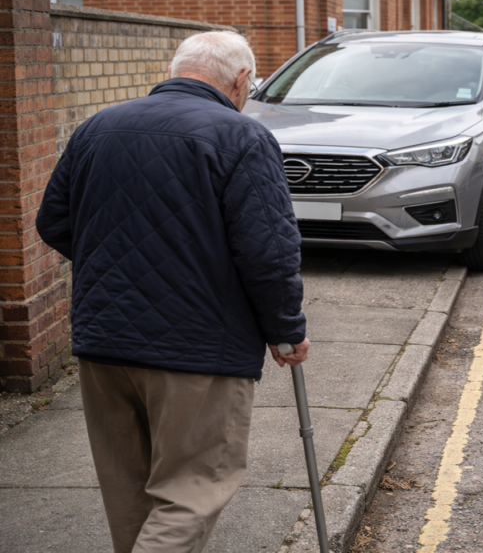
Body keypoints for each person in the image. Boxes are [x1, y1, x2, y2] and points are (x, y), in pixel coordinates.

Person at [35, 31, 310, 552]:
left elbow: (53, 221)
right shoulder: (241, 137)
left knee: (130, 495)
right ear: (241, 79)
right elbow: (268, 250)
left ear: (178, 69)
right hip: (198, 347)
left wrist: (121, 268)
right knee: (191, 490)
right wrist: (285, 329)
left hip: (103, 344)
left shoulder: (98, 127)